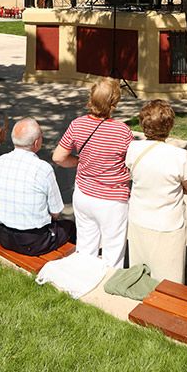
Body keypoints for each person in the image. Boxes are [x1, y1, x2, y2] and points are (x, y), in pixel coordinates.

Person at [53, 78, 135, 268]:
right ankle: (106, 290)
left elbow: (58, 157)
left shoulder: (77, 124)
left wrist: (77, 161)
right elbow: (130, 162)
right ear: (114, 103)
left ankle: (82, 280)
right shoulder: (122, 131)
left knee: (86, 245)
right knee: (113, 252)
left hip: (83, 194)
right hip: (112, 199)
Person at [125, 100, 187, 284]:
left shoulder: (133, 149)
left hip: (139, 218)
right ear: (169, 125)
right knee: (168, 280)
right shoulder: (178, 156)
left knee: (140, 275)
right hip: (168, 224)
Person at [0, 118, 76, 255]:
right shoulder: (43, 169)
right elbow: (56, 211)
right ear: (37, 143)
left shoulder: (0, 161)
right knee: (70, 227)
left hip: (3, 235)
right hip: (33, 241)